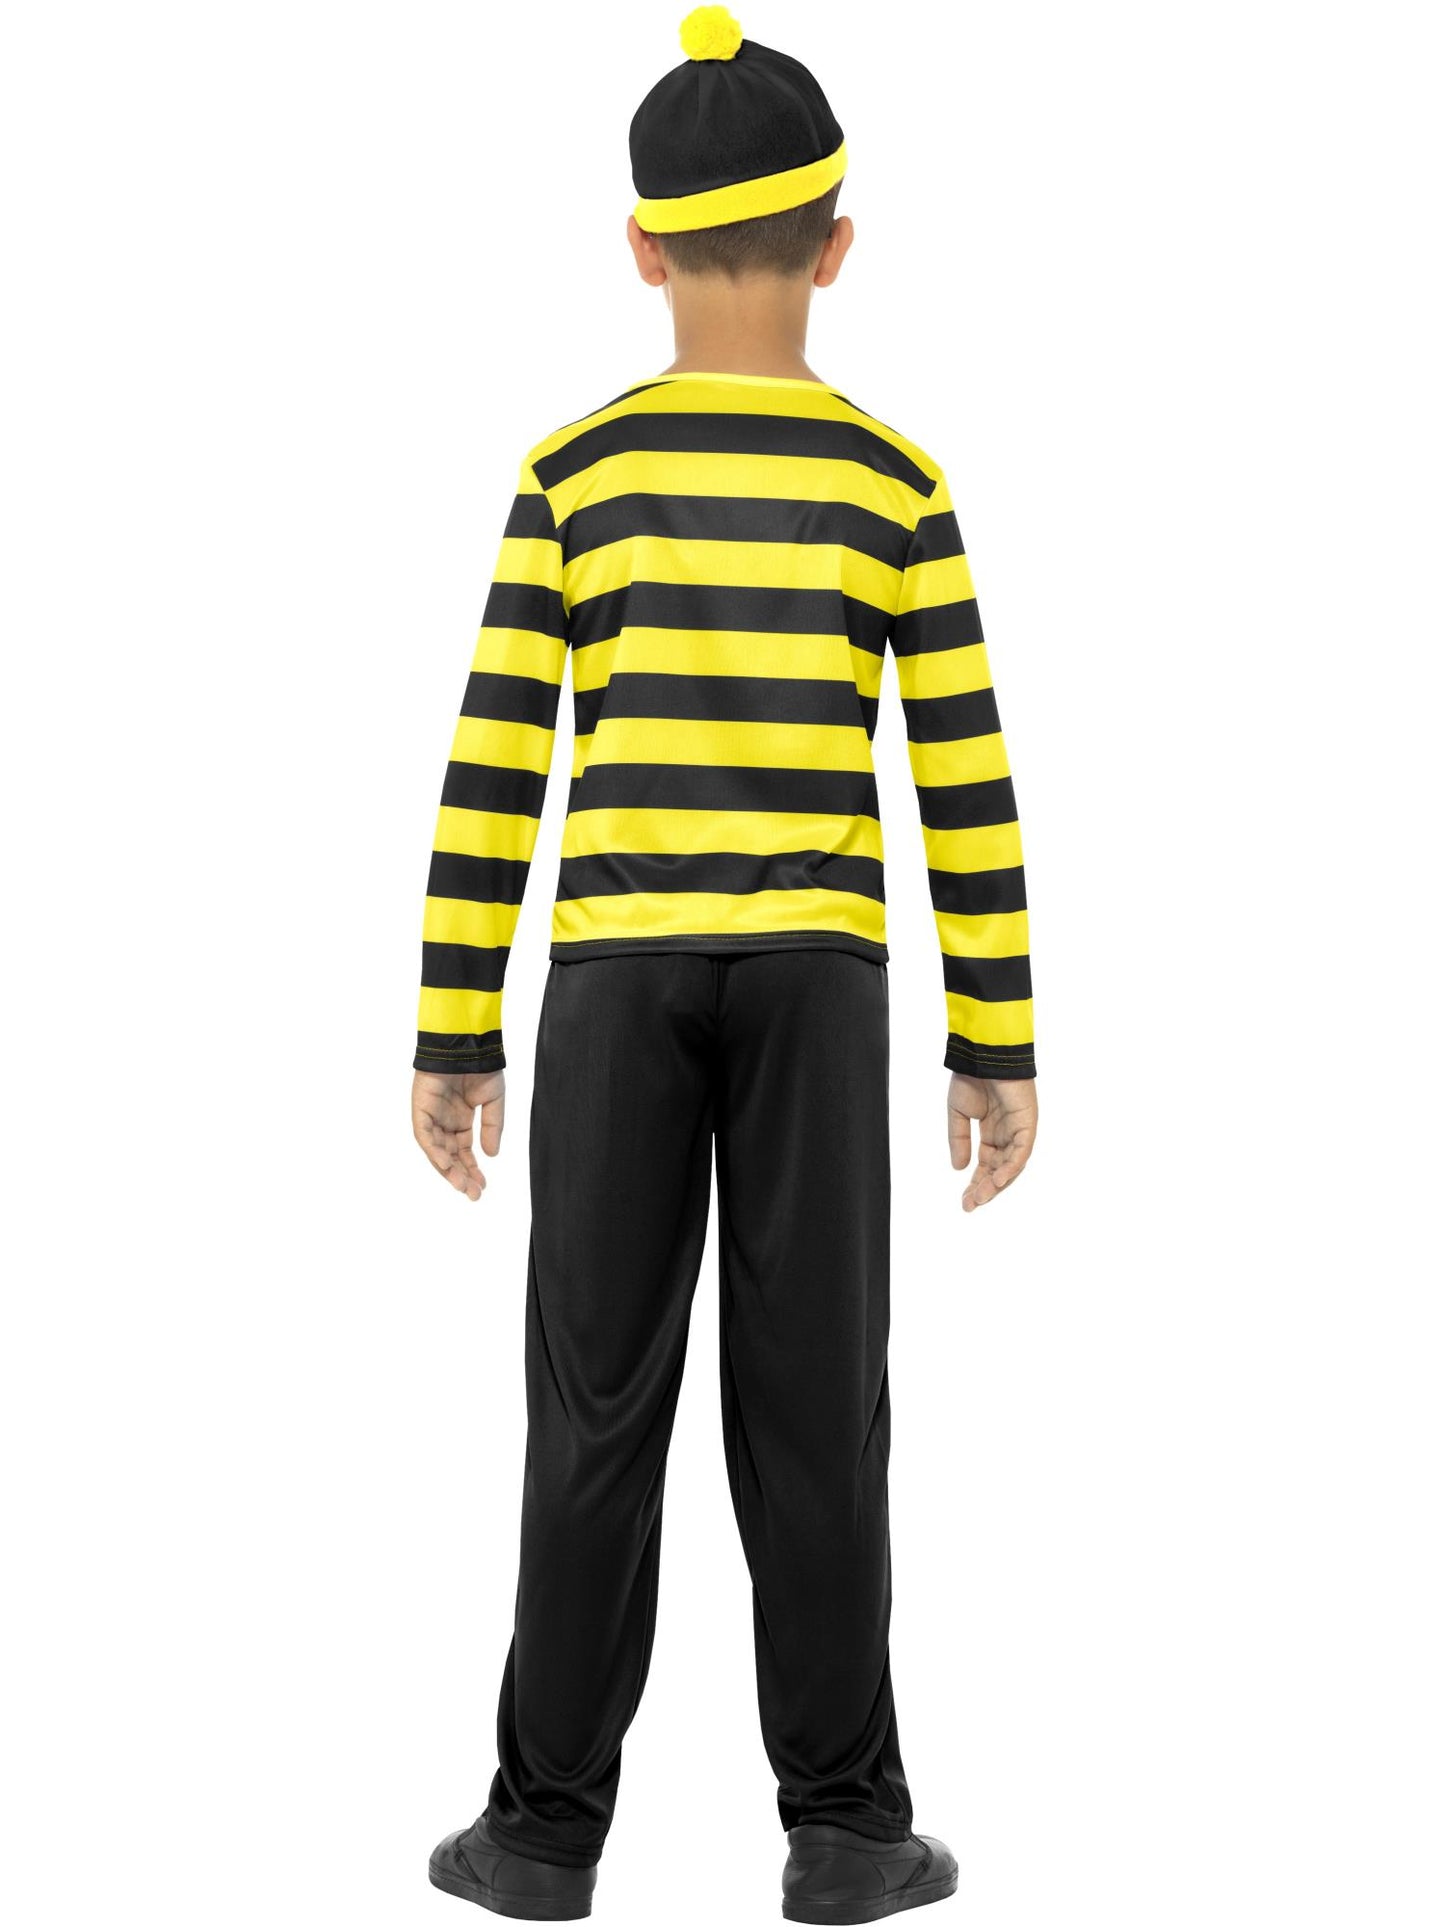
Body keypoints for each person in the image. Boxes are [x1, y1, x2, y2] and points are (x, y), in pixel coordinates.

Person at [410, 9, 1038, 1919]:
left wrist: (452, 1029)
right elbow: (964, 781)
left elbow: (495, 763)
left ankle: (542, 1832)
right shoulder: (894, 482)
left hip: (613, 981)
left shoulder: (573, 474)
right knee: (815, 1402)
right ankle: (844, 1826)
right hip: (816, 985)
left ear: (640, 245)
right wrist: (995, 1043)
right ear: (838, 244)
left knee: (592, 1400)